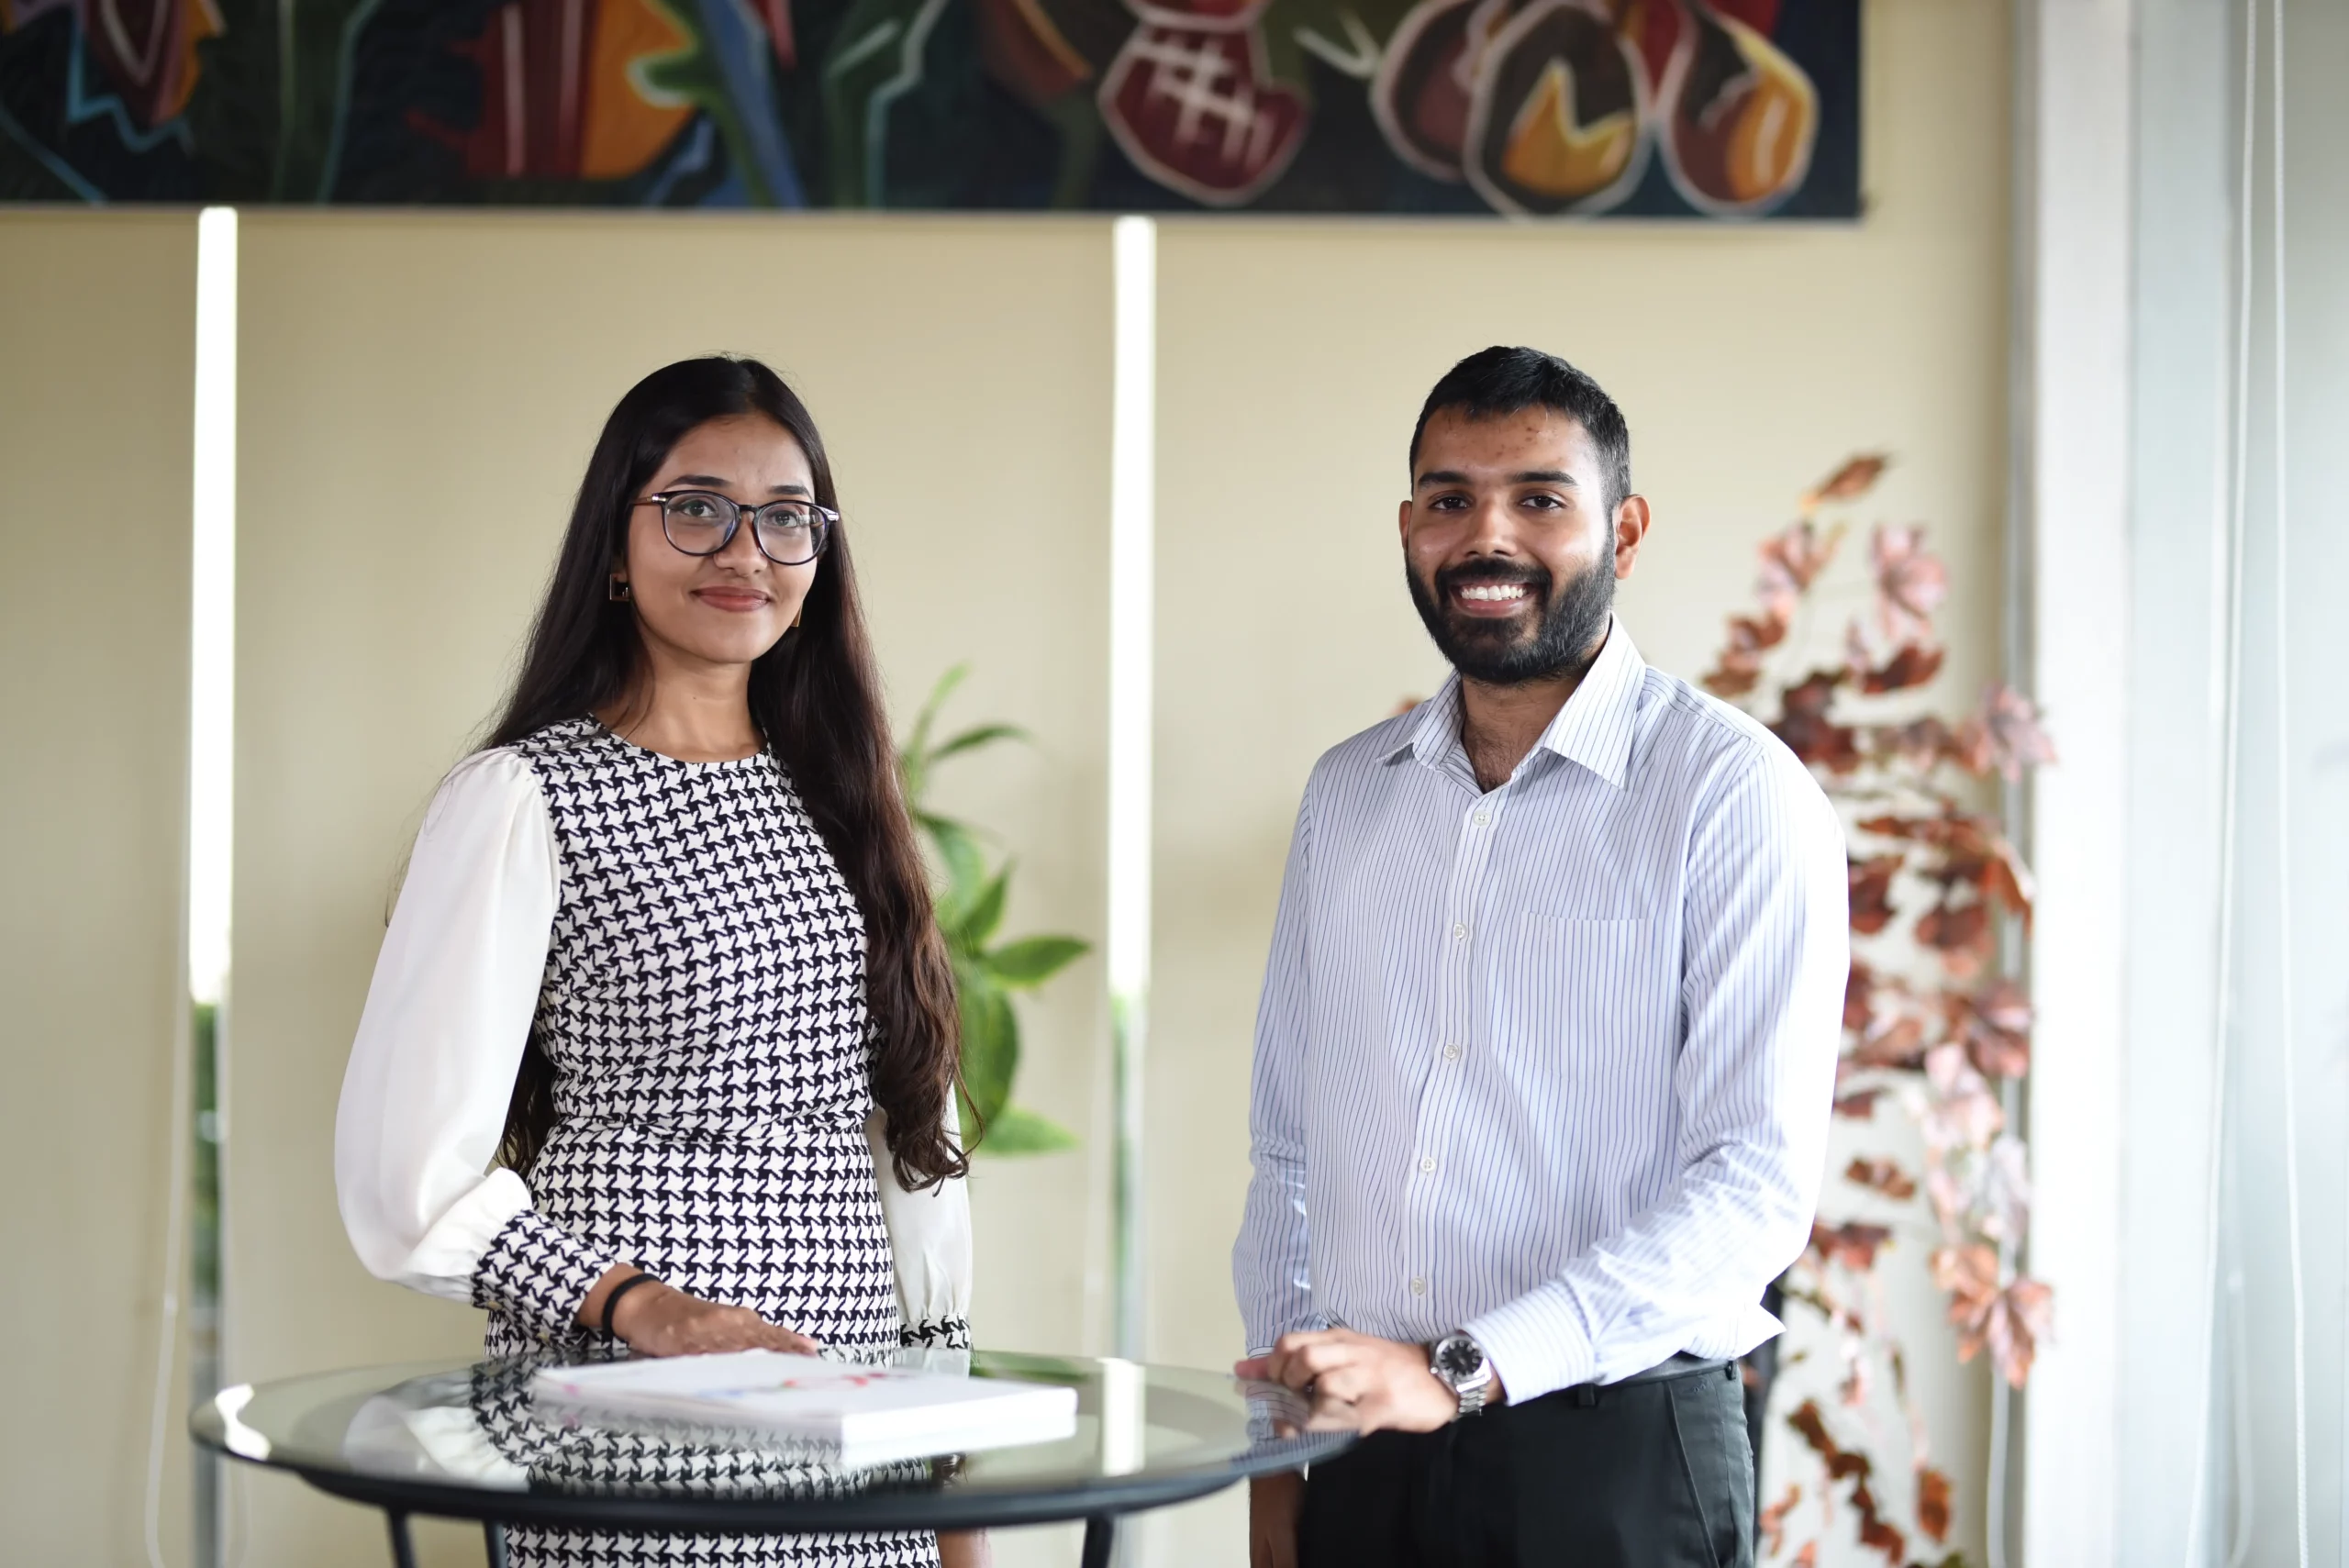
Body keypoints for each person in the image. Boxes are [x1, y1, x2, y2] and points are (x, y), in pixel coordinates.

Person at [335, 356, 988, 1568]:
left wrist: (947, 1481)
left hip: (852, 1426)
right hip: (629, 1409)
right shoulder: (523, 798)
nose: (745, 552)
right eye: (695, 508)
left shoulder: (842, 799)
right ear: (613, 547)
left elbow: (908, 1162)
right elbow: (402, 1178)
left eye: (785, 518)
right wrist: (645, 1308)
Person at [1232, 347, 1848, 1568]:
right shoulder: (1349, 796)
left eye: (1539, 500)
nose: (1487, 537)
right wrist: (1292, 1432)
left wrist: (1461, 1370)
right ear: (1409, 526)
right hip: (1366, 1455)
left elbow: (1754, 1187)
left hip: (1611, 1460)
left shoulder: (1733, 796)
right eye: (1450, 499)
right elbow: (1292, 1145)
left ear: (1625, 527)